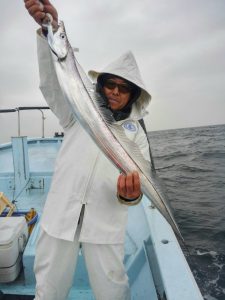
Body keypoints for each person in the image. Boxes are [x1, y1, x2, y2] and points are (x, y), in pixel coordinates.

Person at [24, 1, 151, 299]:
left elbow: (137, 189)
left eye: (124, 87)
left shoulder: (138, 135)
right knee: (48, 291)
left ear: (133, 94)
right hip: (60, 217)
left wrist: (130, 195)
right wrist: (48, 33)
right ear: (101, 84)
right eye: (110, 84)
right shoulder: (76, 114)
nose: (115, 91)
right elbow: (51, 83)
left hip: (106, 227)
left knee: (113, 292)